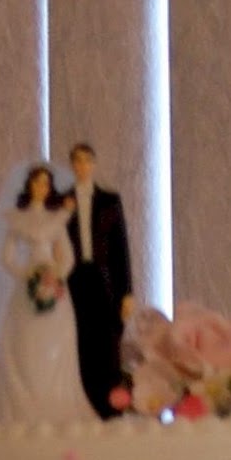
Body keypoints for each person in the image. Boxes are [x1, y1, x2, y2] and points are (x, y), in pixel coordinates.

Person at [0, 163, 96, 424]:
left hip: (53, 287)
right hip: (27, 289)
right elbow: (6, 258)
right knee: (26, 345)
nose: (41, 187)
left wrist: (55, 276)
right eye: (36, 182)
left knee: (53, 344)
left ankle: (54, 404)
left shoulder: (56, 219)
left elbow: (69, 258)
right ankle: (27, 406)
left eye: (45, 183)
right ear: (29, 186)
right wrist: (27, 274)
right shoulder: (18, 219)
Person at [63, 143, 134, 418]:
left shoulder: (109, 200)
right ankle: (87, 402)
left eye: (87, 161)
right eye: (77, 161)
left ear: (93, 164)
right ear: (72, 165)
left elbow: (121, 248)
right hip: (75, 278)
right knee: (82, 340)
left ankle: (111, 405)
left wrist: (127, 291)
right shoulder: (62, 201)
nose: (82, 166)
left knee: (108, 339)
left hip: (104, 279)